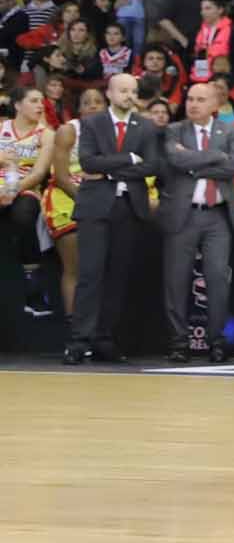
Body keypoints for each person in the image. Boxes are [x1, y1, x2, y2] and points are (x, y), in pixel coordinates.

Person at [65, 71, 156, 364]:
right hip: (95, 207)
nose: (129, 96)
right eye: (124, 90)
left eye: (133, 91)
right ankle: (79, 340)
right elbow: (88, 161)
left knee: (118, 277)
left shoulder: (146, 126)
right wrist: (129, 159)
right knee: (90, 275)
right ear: (110, 93)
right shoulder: (92, 123)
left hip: (129, 207)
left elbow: (153, 166)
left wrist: (108, 169)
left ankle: (105, 339)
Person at [155, 80, 234, 360]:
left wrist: (195, 162)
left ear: (215, 105)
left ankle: (217, 341)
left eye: (200, 100)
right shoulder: (174, 130)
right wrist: (215, 158)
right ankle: (178, 343)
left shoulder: (229, 130)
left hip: (217, 216)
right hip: (183, 214)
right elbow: (175, 161)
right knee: (176, 280)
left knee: (218, 278)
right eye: (190, 99)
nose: (193, 104)